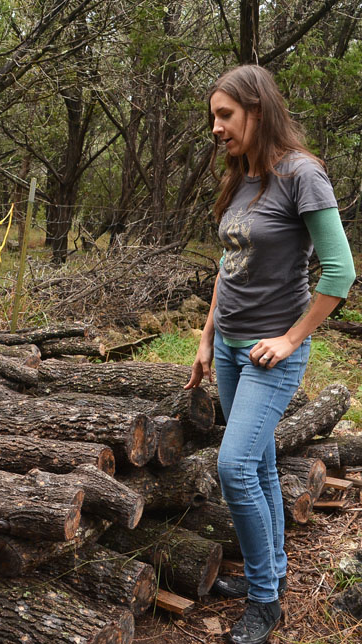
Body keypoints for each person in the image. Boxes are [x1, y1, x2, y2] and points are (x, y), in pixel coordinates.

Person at [185, 64, 356, 644]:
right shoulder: (243, 179)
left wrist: (290, 338)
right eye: (214, 116)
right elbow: (227, 268)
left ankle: (265, 602)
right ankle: (271, 574)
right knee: (256, 466)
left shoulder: (301, 175)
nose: (216, 128)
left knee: (233, 467)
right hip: (230, 350)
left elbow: (341, 271)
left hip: (271, 356)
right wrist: (207, 339)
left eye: (225, 116)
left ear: (257, 112)